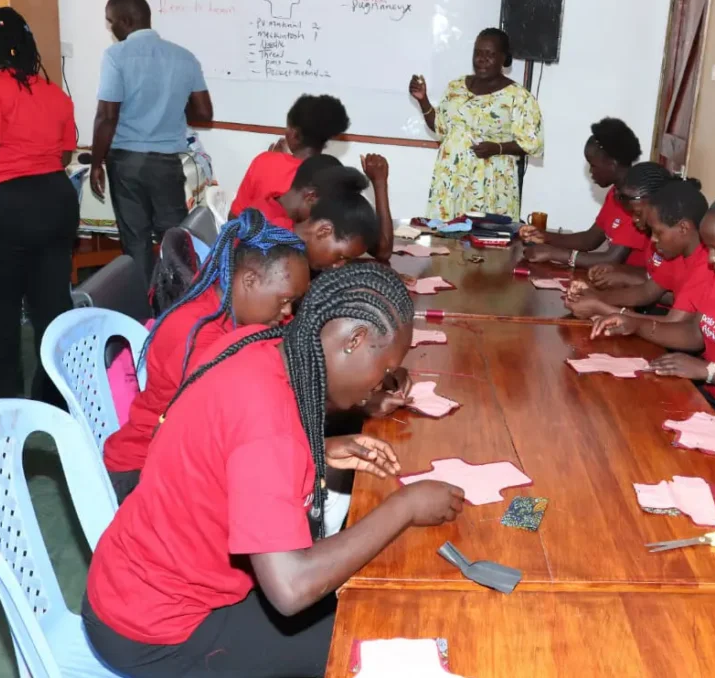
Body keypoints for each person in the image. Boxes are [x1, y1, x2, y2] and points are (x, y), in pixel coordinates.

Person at [83, 264, 465, 677]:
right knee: (374, 635)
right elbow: (291, 587)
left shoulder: (260, 343)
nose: (381, 384)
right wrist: (405, 507)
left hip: (131, 579)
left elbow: (230, 448)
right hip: (158, 631)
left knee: (365, 599)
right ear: (354, 340)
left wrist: (315, 450)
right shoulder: (268, 428)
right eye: (385, 370)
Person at [103, 211, 310, 502]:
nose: (288, 312)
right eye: (285, 301)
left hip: (183, 455)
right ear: (249, 280)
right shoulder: (194, 335)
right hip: (141, 470)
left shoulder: (240, 312)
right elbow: (235, 414)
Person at [0, 7, 78, 406]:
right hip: (56, 204)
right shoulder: (54, 93)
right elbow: (63, 155)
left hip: (3, 212)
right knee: (51, 312)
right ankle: (55, 406)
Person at [590, 188, 715, 410]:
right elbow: (696, 333)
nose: (711, 259)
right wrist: (635, 324)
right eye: (709, 249)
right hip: (706, 392)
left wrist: (709, 371)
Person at [90, 0, 213, 281]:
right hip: (166, 164)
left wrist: (96, 163)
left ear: (126, 20)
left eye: (111, 22)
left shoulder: (116, 56)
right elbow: (204, 112)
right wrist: (171, 108)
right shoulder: (184, 57)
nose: (112, 29)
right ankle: (180, 301)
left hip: (126, 164)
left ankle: (141, 305)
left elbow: (107, 116)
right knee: (176, 242)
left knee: (136, 242)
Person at [410, 28, 543, 220]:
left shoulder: (518, 96)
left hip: (490, 183)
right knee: (445, 234)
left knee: (486, 235)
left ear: (503, 58)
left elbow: (532, 144)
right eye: (478, 53)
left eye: (490, 54)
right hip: (451, 181)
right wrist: (423, 100)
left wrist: (497, 148)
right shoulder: (455, 87)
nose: (482, 59)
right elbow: (440, 128)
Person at [566, 172, 708, 318]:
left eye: (658, 232)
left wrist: (600, 307)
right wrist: (594, 295)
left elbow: (674, 326)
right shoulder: (677, 254)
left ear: (683, 228)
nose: (653, 239)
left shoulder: (705, 266)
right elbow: (646, 292)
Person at [519, 118, 648, 268]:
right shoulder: (615, 193)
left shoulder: (635, 203)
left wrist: (553, 253)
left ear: (612, 164)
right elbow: (589, 239)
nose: (591, 171)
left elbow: (612, 259)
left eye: (593, 165)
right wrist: (545, 236)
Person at [249, 160, 383, 271]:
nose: (339, 266)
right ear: (324, 230)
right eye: (341, 257)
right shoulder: (274, 249)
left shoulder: (286, 237)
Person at [229, 94, 350, 215]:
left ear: (294, 134)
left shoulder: (264, 161)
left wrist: (273, 160)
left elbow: (233, 216)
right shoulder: (331, 179)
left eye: (288, 126)